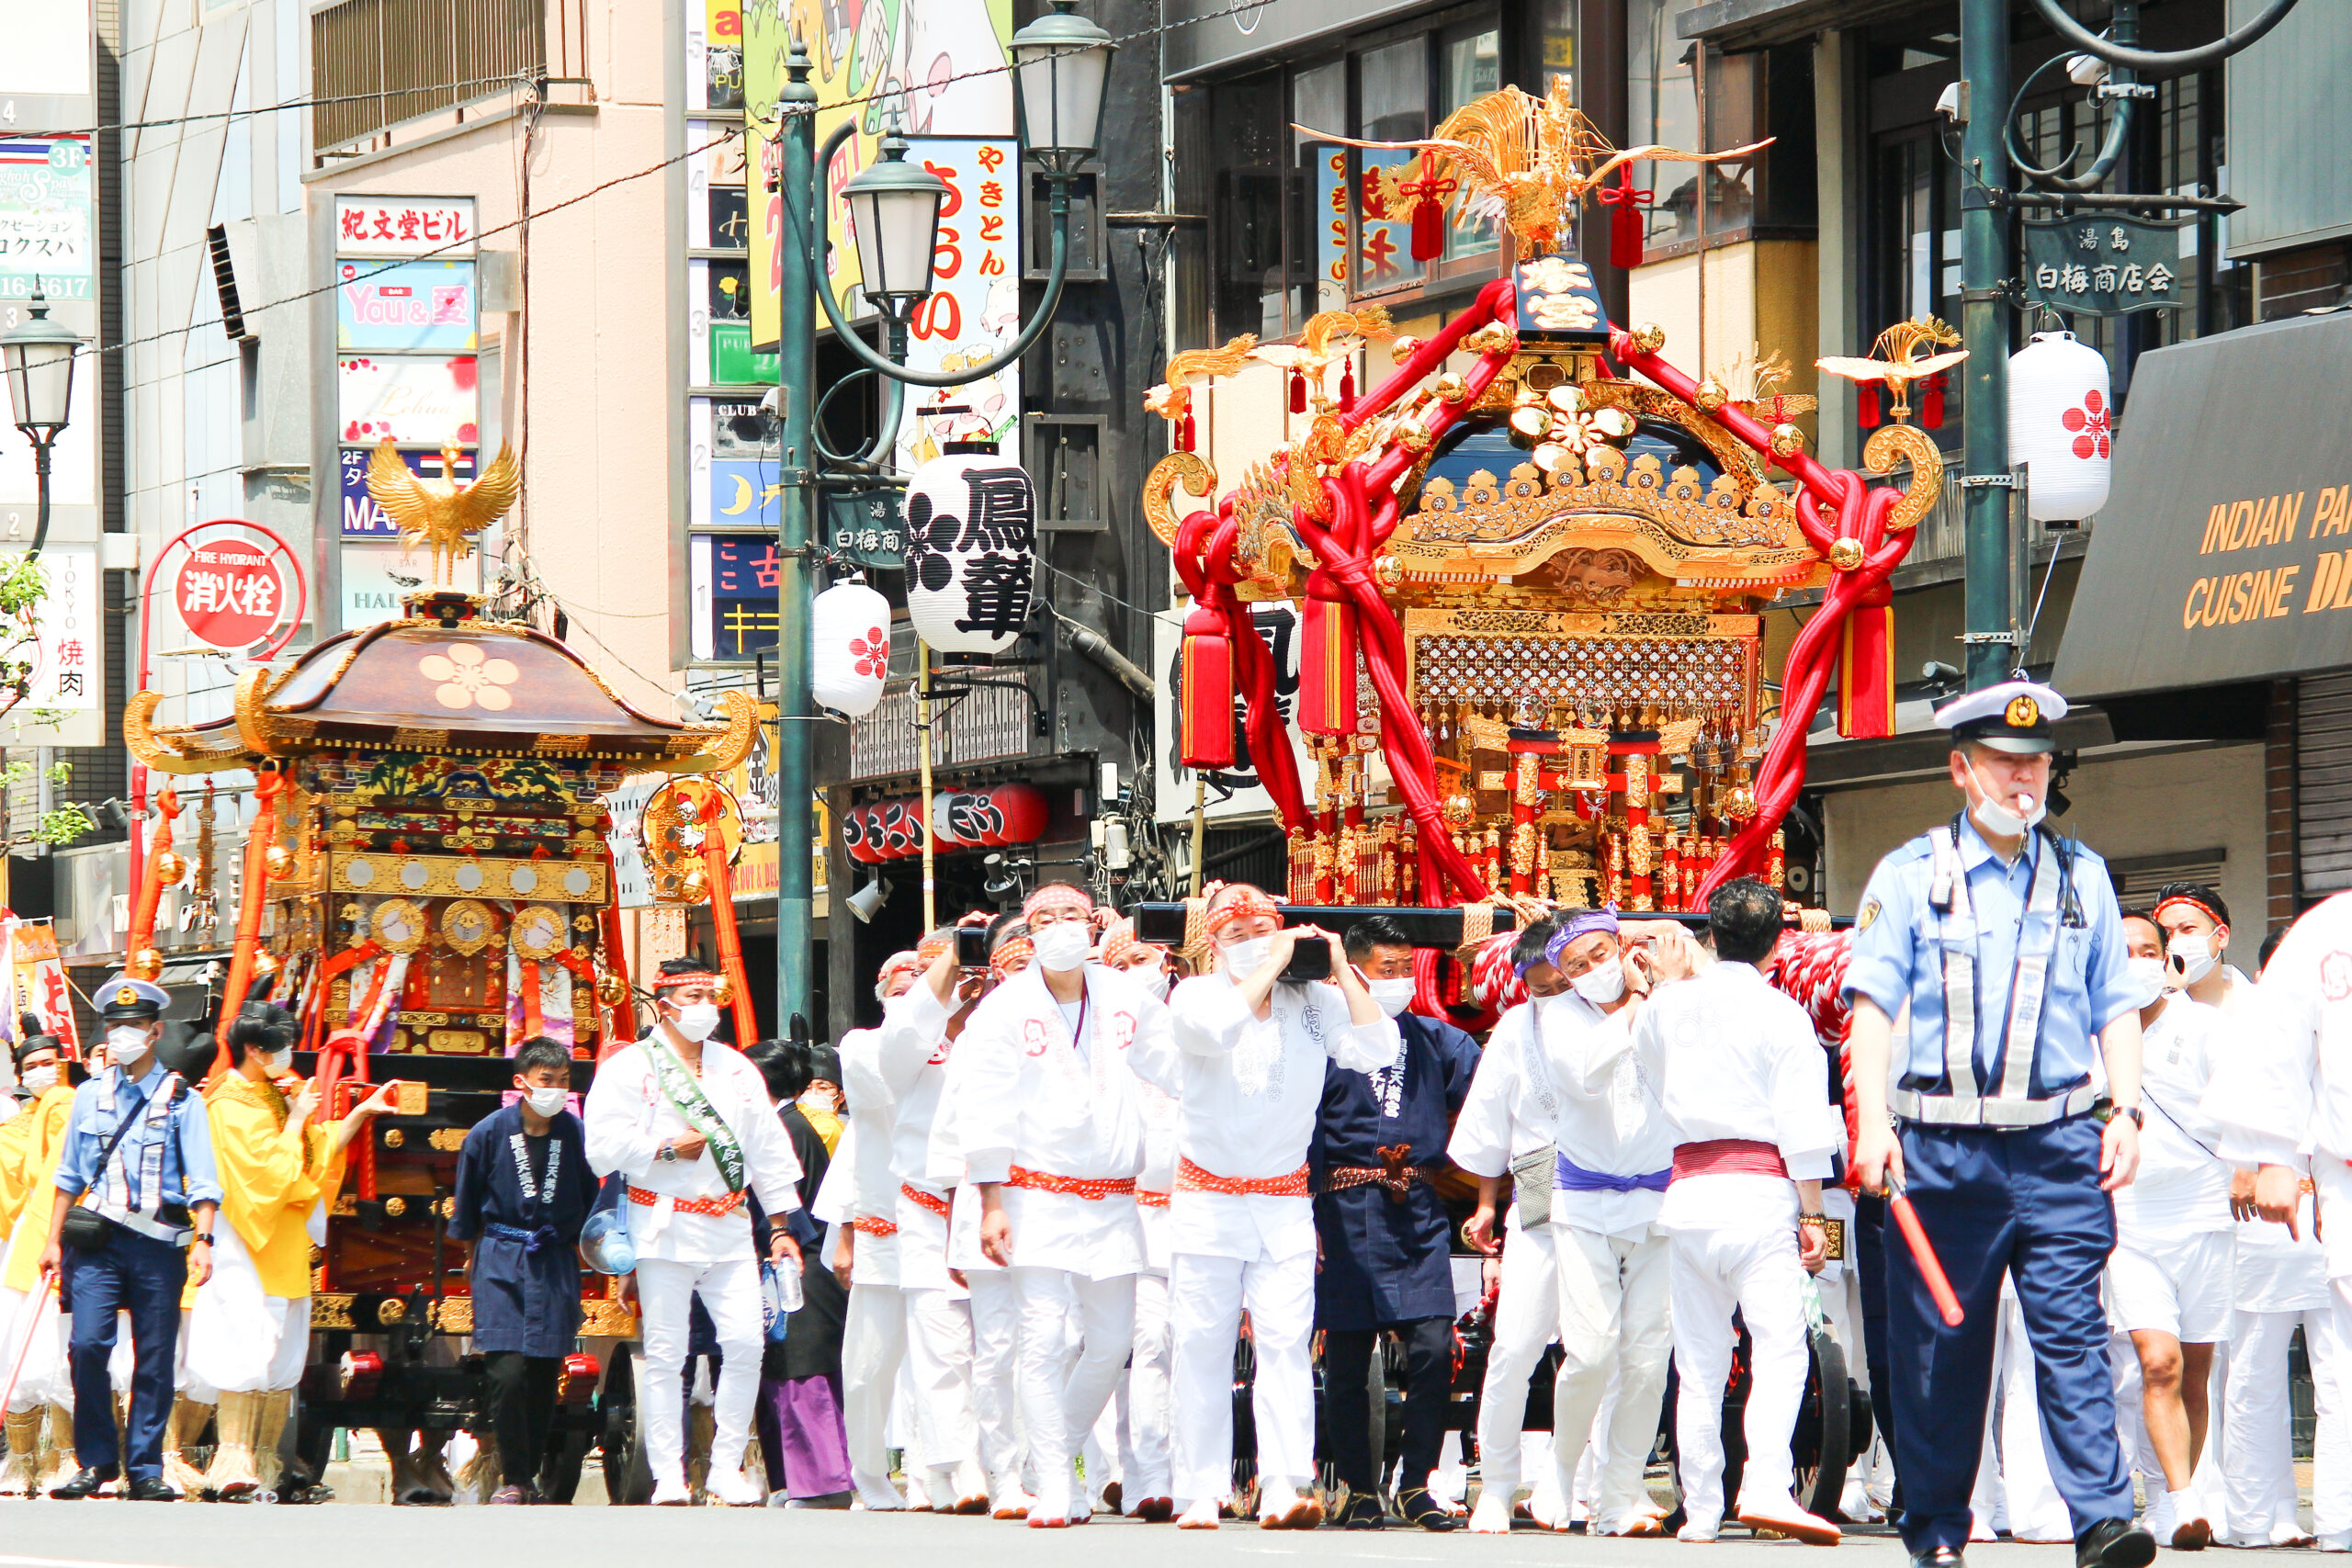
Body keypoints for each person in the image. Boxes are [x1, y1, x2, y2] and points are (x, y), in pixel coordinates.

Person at [1843, 679, 2154, 1568]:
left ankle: (2100, 1518)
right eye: (2005, 765)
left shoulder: (2081, 876)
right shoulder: (1909, 876)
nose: (2024, 782)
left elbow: (2117, 1007)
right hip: (1940, 1150)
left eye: (2036, 764)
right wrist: (1872, 1125)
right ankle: (1939, 1530)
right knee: (1943, 1348)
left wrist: (2125, 1108)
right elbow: (1871, 1009)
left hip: (2058, 1146)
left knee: (2070, 1332)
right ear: (1960, 769)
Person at [1585, 880, 1838, 1543]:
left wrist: (1666, 984)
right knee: (1780, 1348)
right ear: (1778, 941)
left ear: (1714, 937)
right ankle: (1764, 1484)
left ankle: (1701, 1507)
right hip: (1757, 1192)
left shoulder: (1668, 1008)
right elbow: (1804, 1126)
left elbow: (1647, 1067)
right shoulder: (1783, 1014)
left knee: (1697, 1361)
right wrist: (1814, 1215)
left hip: (1691, 1193)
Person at [1147, 882, 1399, 1530]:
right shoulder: (1197, 994)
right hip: (1209, 1197)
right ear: (1212, 943)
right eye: (1234, 933)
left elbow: (1379, 1050)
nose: (1252, 939)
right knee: (1201, 1343)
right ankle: (1198, 1487)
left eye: (1263, 926)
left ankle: (1286, 1481)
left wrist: (1341, 965)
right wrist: (1267, 962)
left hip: (1284, 1199)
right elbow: (1215, 1030)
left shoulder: (1313, 999)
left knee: (1286, 1343)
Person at [961, 883, 1166, 1528]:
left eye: (1071, 915)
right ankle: (1053, 1482)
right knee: (1043, 1338)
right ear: (1027, 931)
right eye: (1044, 918)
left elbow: (1180, 1070)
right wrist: (991, 1200)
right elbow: (985, 1105)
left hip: (1111, 1197)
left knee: (1109, 1343)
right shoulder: (1001, 1009)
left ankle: (1045, 1458)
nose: (1059, 927)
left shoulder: (1128, 998)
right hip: (1036, 1194)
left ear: (1092, 924)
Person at [583, 959, 805, 1506]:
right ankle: (667, 1474)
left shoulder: (735, 1068)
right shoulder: (629, 1067)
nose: (706, 1005)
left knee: (747, 1343)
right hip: (663, 1222)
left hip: (729, 1225)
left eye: (712, 994)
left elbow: (768, 1148)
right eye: (695, 994)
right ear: (666, 1004)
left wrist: (779, 1226)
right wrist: (660, 1148)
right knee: (666, 1352)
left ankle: (726, 1465)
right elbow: (600, 1148)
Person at [1312, 914, 1480, 1530]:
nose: (1401, 981)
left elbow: (1491, 1098)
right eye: (1388, 970)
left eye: (1406, 970)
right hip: (1346, 1207)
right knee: (1349, 1356)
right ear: (1353, 972)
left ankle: (1415, 1484)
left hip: (1418, 1207)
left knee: (1436, 1343)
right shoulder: (1325, 1042)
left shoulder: (1437, 1039)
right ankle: (1359, 1487)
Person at [187, 1002, 392, 1501]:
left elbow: (316, 1153)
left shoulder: (272, 1095)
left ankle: (267, 1464)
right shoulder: (228, 1103)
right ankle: (231, 1458)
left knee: (280, 1358)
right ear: (255, 1050)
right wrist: (298, 1118)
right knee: (244, 1347)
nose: (288, 1053)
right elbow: (264, 1176)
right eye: (280, 1043)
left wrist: (360, 1112)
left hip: (283, 1244)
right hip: (245, 1245)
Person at [38, 977, 221, 1501]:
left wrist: (203, 1240)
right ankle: (95, 1461)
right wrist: (52, 1240)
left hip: (157, 1244)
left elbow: (204, 1180)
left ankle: (144, 1466)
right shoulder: (89, 1095)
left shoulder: (182, 1099)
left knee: (155, 1354)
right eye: (114, 1026)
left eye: (133, 1027)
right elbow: (68, 1177)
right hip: (93, 1242)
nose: (122, 1035)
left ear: (154, 1031)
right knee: (87, 1345)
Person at [1532, 908, 1682, 1538]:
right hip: (1585, 1201)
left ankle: (1620, 1491)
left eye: (1600, 955)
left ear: (1623, 944)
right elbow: (1587, 1074)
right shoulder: (1558, 1016)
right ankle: (1562, 1471)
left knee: (1648, 1360)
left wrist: (1662, 981)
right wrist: (1638, 1002)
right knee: (1591, 1351)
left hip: (1659, 1201)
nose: (1592, 972)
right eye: (1576, 966)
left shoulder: (1668, 999)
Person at [2103, 907, 2231, 1547]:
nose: (2137, 961)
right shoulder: (2090, 1033)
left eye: (2147, 948)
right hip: (2131, 1220)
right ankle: (2182, 1503)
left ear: (2167, 959)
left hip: (2206, 1212)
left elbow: (2244, 1102)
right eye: (2122, 950)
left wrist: (2254, 1165)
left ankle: (2171, 1495)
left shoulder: (2204, 1026)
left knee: (2196, 1373)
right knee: (2159, 1363)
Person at [2217, 924, 2346, 1549]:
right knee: (2255, 1373)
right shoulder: (2249, 1030)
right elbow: (2232, 1123)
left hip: (2332, 1214)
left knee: (2338, 1373)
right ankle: (2256, 1516)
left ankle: (2337, 1515)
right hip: (2269, 1223)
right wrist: (2253, 1161)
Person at [1453, 916, 1574, 1532]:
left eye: (1563, 981)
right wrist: (1483, 1202)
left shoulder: (1623, 1018)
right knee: (1518, 1343)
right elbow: (1489, 1124)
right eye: (1541, 985)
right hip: (1536, 1181)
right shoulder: (1512, 1029)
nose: (1552, 995)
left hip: (1616, 1193)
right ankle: (1497, 1483)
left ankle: (1572, 1484)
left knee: (1598, 1350)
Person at [449, 1035, 598, 1504]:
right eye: (545, 1080)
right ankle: (513, 1474)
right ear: (522, 1083)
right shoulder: (489, 1133)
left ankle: (526, 1476)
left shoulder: (575, 1133)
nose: (555, 1089)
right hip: (502, 1257)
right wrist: (473, 1255)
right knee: (507, 1372)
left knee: (542, 1374)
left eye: (563, 1081)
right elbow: (468, 1203)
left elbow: (593, 1198)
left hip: (554, 1260)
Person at [877, 928, 994, 1515]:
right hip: (927, 1203)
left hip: (998, 1199)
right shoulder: (900, 1042)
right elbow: (903, 1037)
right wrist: (947, 967)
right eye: (954, 972)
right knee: (941, 1342)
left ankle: (1003, 1462)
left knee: (1002, 1344)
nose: (967, 980)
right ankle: (961, 1464)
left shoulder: (1005, 1029)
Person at [820, 948, 924, 1511]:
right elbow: (861, 1138)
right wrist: (846, 1231)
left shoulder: (968, 1044)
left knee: (948, 1361)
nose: (912, 993)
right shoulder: (860, 1046)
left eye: (924, 981)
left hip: (947, 1230)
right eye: (902, 985)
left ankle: (942, 1472)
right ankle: (870, 1474)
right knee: (868, 1366)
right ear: (882, 992)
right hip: (884, 1230)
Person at [746, 1037, 853, 1507]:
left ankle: (824, 1481)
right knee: (780, 1375)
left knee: (804, 1375)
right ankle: (791, 1481)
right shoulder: (784, 1124)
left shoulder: (787, 1129)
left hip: (800, 1264)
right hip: (787, 1265)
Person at [1099, 917, 1179, 1520]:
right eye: (1119, 965)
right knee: (1139, 1343)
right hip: (1125, 1213)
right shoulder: (1096, 1043)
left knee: (1188, 1347)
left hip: (1202, 1209)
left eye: (1141, 961)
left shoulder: (1188, 1028)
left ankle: (1189, 1471)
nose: (1133, 975)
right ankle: (1138, 1471)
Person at [0, 1031, 74, 1495]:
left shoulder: (70, 1103)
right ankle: (22, 1463)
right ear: (21, 1074)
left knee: (64, 1358)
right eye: (33, 1065)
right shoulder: (11, 1129)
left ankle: (66, 1460)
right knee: (22, 1360)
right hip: (24, 1243)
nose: (43, 1070)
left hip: (64, 1239)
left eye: (50, 1060)